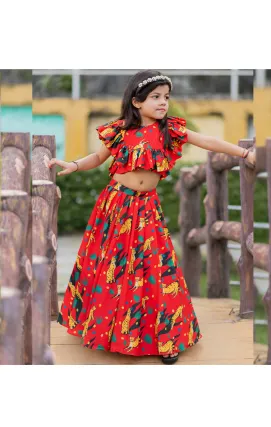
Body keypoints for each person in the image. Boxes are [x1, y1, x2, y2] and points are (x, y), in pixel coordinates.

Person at [48, 70, 256, 365]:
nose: (163, 103)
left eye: (166, 97)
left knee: (156, 270)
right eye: (156, 97)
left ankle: (167, 339)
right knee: (112, 269)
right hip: (116, 206)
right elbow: (96, 159)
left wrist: (244, 154)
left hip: (146, 210)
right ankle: (104, 330)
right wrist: (71, 164)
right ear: (136, 101)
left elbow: (207, 141)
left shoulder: (170, 130)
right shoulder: (119, 131)